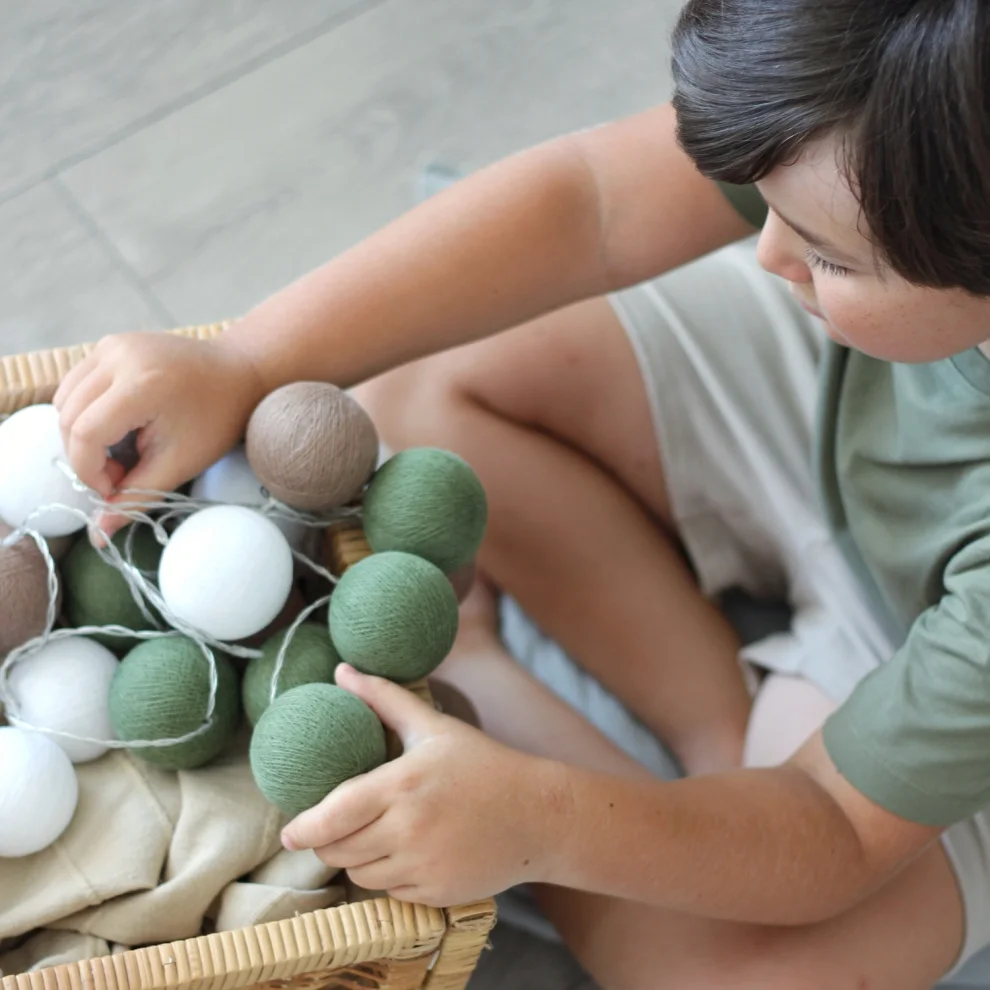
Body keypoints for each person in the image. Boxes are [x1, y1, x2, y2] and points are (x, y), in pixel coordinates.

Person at [53, 0, 990, 986]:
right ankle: (714, 733)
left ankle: (495, 674)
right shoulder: (897, 102)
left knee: (720, 969)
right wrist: (245, 358)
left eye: (826, 253)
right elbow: (592, 202)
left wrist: (542, 820)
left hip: (946, 669)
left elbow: (836, 830)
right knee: (409, 391)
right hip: (847, 381)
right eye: (769, 208)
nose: (764, 249)